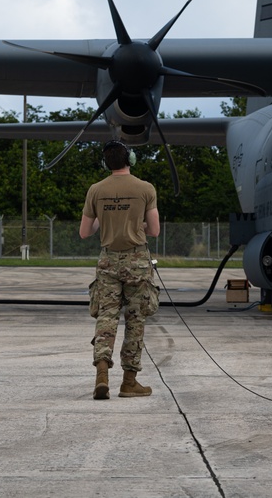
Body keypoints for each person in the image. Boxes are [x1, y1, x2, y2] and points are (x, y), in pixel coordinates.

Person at [79, 140, 161, 399]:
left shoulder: (96, 190)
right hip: (136, 261)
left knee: (107, 317)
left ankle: (102, 374)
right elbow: (155, 230)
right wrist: (136, 226)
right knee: (136, 319)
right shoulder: (145, 188)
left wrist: (104, 222)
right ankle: (129, 382)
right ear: (130, 159)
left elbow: (84, 232)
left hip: (108, 262)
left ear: (106, 163)